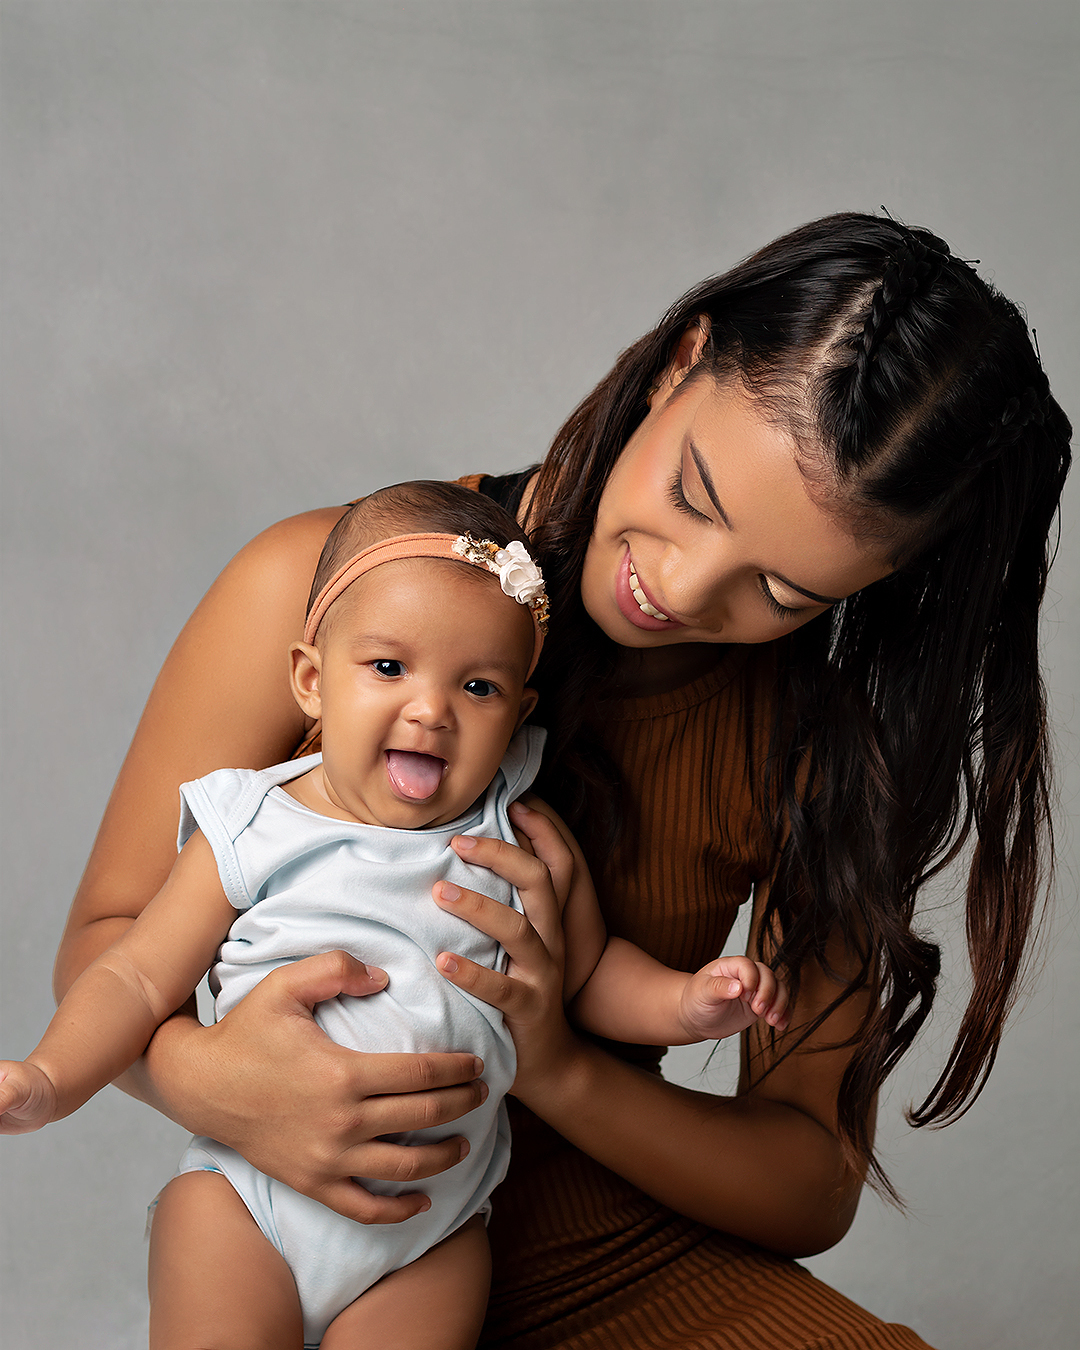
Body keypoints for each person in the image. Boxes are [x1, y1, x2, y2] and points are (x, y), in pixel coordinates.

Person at [44, 213, 1071, 1349]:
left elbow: (808, 1179)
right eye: (692, 495)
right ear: (683, 359)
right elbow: (109, 940)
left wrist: (560, 1068)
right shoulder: (328, 588)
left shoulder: (821, 746)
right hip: (301, 1232)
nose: (679, 587)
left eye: (783, 592)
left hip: (613, 1268)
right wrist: (215, 1083)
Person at [0, 481, 788, 1350]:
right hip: (250, 1201)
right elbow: (137, 975)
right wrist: (50, 1080)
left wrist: (688, 1001)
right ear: (310, 679)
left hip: (431, 1232)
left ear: (518, 714)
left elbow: (589, 974)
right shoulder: (255, 826)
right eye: (388, 668)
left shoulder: (516, 833)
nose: (431, 710)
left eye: (479, 686)